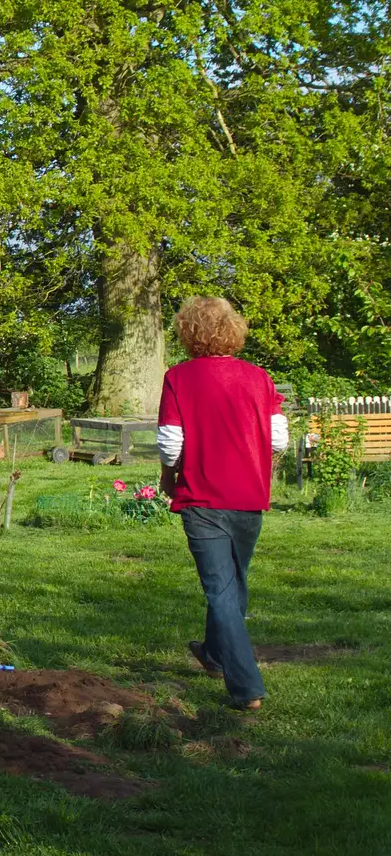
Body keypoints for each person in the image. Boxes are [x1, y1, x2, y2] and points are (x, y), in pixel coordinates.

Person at [157, 297, 288, 711]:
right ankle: (214, 656)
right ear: (234, 329)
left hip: (202, 497)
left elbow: (171, 442)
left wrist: (167, 475)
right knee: (234, 582)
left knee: (221, 590)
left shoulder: (179, 377)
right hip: (249, 498)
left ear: (187, 332)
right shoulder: (258, 377)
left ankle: (246, 688)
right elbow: (279, 439)